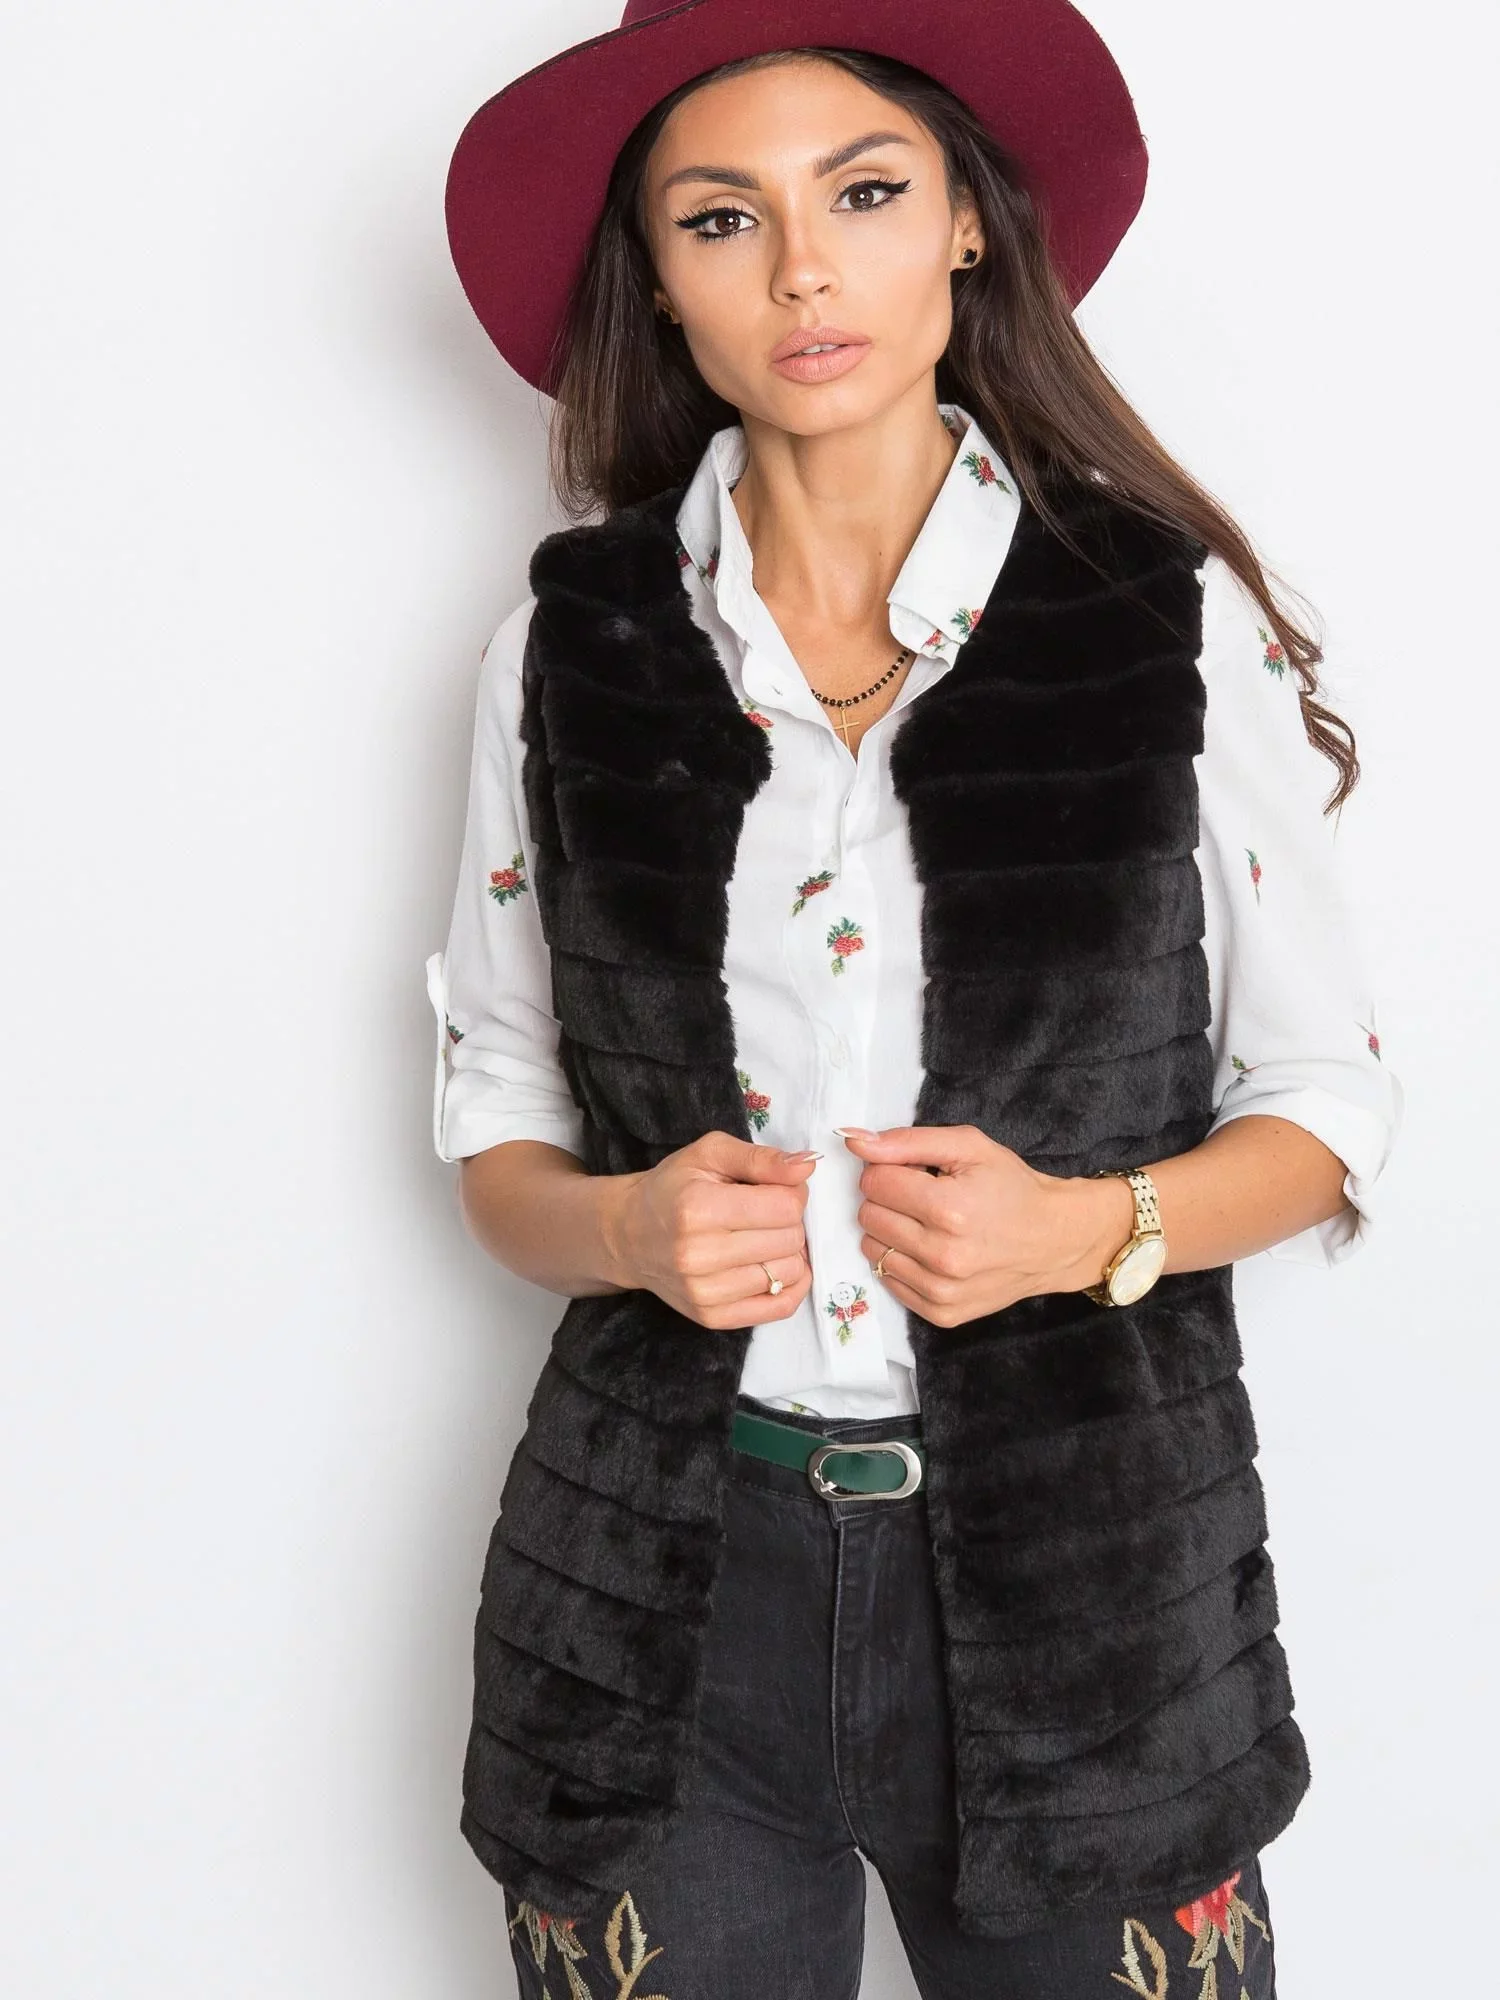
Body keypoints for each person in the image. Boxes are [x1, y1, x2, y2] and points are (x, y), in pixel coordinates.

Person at [423, 4, 1404, 1993]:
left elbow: (1326, 1102)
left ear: (965, 222)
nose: (803, 270)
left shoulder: (1157, 618)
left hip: (1090, 1608)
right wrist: (626, 1229)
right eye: (723, 218)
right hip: (661, 1608)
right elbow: (500, 1103)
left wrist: (1094, 1226)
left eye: (863, 193)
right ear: (658, 277)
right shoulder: (569, 643)